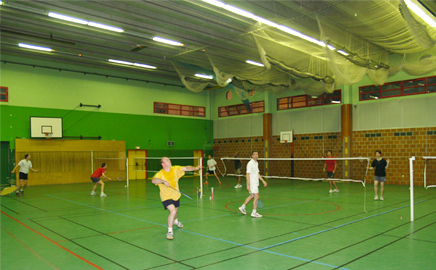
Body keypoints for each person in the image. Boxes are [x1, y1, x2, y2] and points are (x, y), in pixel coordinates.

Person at [152, 157, 201, 240]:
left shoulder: (175, 169)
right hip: (166, 196)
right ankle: (170, 231)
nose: (169, 161)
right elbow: (153, 180)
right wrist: (163, 181)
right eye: (166, 160)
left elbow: (185, 168)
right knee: (173, 211)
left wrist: (194, 168)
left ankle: (176, 221)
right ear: (162, 164)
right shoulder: (160, 174)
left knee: (176, 212)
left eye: (169, 159)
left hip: (176, 195)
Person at [239, 151, 267, 218]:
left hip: (255, 182)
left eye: (257, 154)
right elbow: (247, 174)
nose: (256, 155)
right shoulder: (250, 163)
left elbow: (257, 173)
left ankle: (242, 207)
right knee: (256, 196)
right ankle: (254, 212)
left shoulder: (256, 163)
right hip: (252, 183)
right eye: (254, 154)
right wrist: (248, 185)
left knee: (252, 196)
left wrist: (263, 181)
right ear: (251, 156)